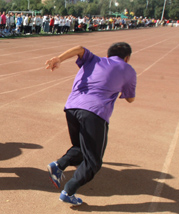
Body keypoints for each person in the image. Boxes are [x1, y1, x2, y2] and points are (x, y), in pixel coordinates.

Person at [45, 43, 136, 206]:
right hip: (94, 112)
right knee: (93, 161)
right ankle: (69, 191)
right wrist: (122, 88)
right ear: (127, 58)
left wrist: (59, 58)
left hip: (72, 107)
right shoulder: (128, 70)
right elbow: (129, 98)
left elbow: (79, 49)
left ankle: (58, 166)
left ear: (108, 55)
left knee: (80, 146)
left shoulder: (95, 59)